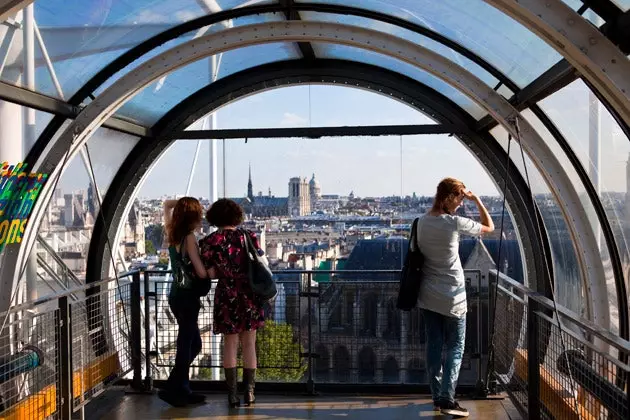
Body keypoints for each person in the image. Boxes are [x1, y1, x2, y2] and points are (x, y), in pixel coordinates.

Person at [416, 178, 494, 417]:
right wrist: (477, 199)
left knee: (434, 347)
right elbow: (489, 227)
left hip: (427, 294)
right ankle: (448, 398)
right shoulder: (453, 223)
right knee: (455, 348)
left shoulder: (420, 223)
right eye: (459, 199)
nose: (461, 204)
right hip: (453, 296)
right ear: (449, 197)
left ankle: (437, 397)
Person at [199, 199, 265, 408]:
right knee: (249, 344)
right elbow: (258, 262)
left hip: (227, 294)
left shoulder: (210, 241)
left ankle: (232, 395)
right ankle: (250, 392)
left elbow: (209, 273)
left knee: (230, 345)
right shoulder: (249, 236)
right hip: (249, 294)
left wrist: (223, 270)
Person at [158, 197, 210, 407]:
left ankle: (177, 385)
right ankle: (178, 389)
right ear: (193, 216)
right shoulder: (188, 238)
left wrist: (179, 204)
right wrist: (212, 271)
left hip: (175, 295)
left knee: (192, 343)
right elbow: (199, 270)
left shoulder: (172, 234)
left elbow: (166, 206)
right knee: (187, 343)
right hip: (188, 297)